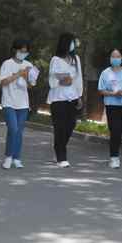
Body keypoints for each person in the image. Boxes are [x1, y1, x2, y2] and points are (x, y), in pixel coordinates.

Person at [0, 39, 37, 169]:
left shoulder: (29, 65)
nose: (23, 53)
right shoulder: (7, 64)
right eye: (21, 51)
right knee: (13, 129)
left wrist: (26, 76)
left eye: (26, 52)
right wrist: (18, 74)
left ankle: (17, 158)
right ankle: (8, 157)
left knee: (19, 131)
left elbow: (31, 85)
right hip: (9, 102)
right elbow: (3, 82)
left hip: (23, 104)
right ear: (15, 50)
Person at [48, 32, 83, 167]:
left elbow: (78, 79)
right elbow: (52, 80)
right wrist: (62, 81)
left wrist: (79, 96)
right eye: (71, 42)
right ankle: (61, 157)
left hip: (72, 97)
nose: (73, 44)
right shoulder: (55, 60)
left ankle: (58, 149)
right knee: (60, 128)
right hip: (58, 99)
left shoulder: (76, 59)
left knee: (70, 126)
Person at [98, 49, 122, 169]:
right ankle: (114, 157)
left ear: (121, 58)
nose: (115, 59)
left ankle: (115, 155)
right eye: (113, 56)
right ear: (110, 58)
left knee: (118, 132)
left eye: (117, 56)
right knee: (114, 130)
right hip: (111, 105)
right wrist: (113, 93)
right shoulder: (105, 73)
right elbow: (101, 90)